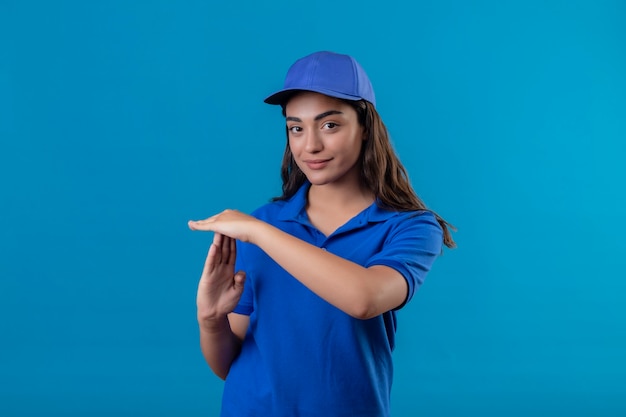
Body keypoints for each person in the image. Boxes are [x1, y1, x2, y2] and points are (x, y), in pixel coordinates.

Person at [188, 50, 455, 417]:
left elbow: (365, 299)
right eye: (296, 128)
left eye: (329, 125)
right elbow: (228, 366)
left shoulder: (410, 227)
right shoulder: (264, 223)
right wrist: (210, 320)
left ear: (365, 127)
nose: (310, 145)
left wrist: (260, 233)